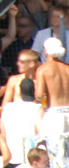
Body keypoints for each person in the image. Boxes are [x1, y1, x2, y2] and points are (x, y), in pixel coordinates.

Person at [35, 37, 69, 166]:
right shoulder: (67, 68)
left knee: (56, 152)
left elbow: (39, 95)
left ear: (46, 51)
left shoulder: (43, 69)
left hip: (54, 113)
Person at [0, 78, 43, 167]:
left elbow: (3, 135)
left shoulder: (7, 108)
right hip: (30, 160)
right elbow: (41, 134)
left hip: (10, 158)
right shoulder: (37, 108)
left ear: (19, 91)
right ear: (34, 91)